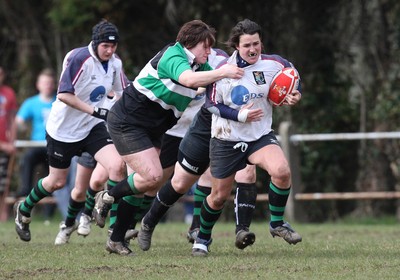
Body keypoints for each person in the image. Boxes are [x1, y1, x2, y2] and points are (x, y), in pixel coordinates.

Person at [92, 20, 245, 256]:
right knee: (151, 177)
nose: (209, 52)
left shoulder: (199, 66)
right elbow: (188, 81)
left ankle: (116, 239)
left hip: (153, 129)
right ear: (190, 43)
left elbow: (214, 82)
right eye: (205, 47)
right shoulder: (173, 56)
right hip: (128, 122)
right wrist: (223, 71)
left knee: (144, 184)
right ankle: (108, 195)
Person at [191, 19, 302, 257]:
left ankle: (277, 224)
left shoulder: (273, 63)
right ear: (236, 46)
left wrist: (295, 93)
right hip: (226, 139)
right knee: (219, 196)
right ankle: (202, 238)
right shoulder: (222, 69)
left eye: (256, 44)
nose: (253, 50)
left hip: (259, 136)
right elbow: (211, 104)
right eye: (247, 45)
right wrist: (240, 115)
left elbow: (293, 74)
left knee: (282, 171)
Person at [13, 19, 129, 242]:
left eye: (113, 46)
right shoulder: (80, 58)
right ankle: (24, 209)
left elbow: (121, 93)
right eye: (105, 45)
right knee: (56, 182)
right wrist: (96, 111)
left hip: (92, 127)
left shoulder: (115, 63)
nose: (110, 50)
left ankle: (116, 234)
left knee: (117, 166)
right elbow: (64, 95)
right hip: (63, 130)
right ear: (95, 43)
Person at [15, 69, 58, 220]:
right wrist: (21, 127)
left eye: (50, 83)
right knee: (27, 158)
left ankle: (49, 213)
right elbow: (19, 121)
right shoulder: (31, 103)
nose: (47, 86)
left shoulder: (60, 101)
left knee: (53, 174)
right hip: (36, 145)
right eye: (45, 83)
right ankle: (24, 191)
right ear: (38, 85)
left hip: (54, 146)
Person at [0, 66, 17, 197]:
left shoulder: (9, 93)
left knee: (3, 183)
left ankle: (3, 215)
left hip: (6, 145)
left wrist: (12, 142)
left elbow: (12, 120)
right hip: (2, 145)